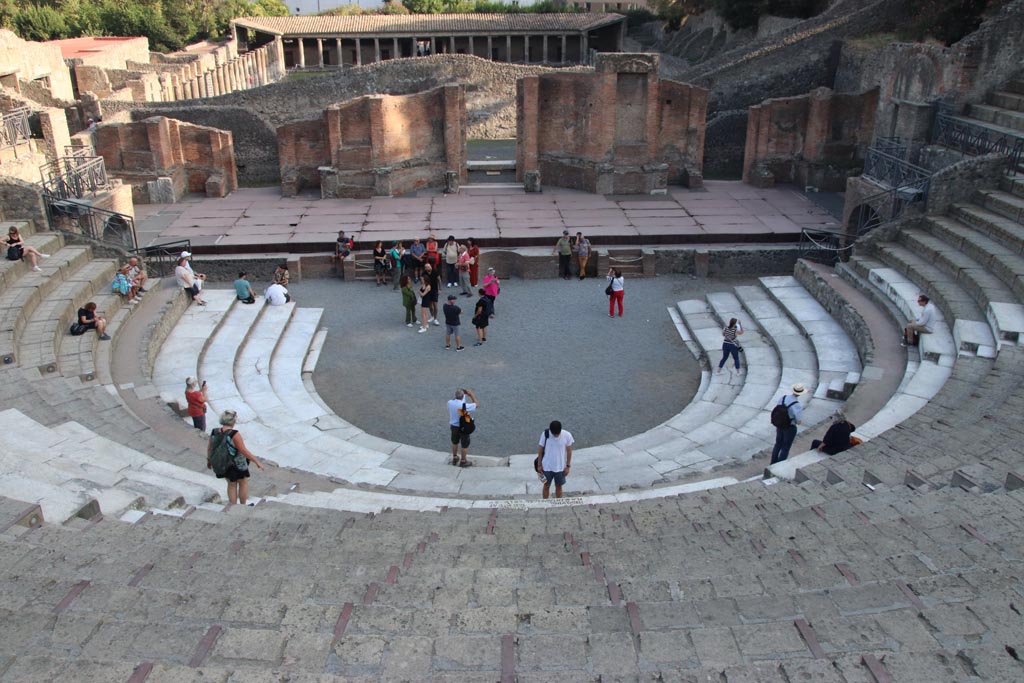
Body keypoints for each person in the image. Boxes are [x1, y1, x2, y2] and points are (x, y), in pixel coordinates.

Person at [207, 410, 265, 505]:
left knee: (231, 484)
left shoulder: (214, 431)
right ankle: (243, 505)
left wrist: (209, 460)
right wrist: (256, 461)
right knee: (243, 483)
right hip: (236, 463)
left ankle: (233, 506)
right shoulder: (233, 434)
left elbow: (210, 448)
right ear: (233, 421)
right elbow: (243, 450)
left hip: (222, 463)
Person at [536, 420, 574, 499]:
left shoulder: (567, 435)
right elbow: (540, 449)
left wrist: (568, 466)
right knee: (546, 485)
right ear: (551, 431)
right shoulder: (545, 434)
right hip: (546, 466)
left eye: (557, 433)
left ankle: (558, 502)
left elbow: (569, 451)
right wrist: (539, 465)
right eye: (554, 434)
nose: (556, 435)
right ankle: (545, 502)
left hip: (560, 467)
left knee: (559, 486)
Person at [770, 383, 806, 465]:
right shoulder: (797, 405)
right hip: (789, 427)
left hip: (780, 424)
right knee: (785, 447)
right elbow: (798, 421)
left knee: (778, 444)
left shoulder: (783, 398)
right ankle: (779, 465)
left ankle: (772, 462)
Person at [447, 388, 478, 467]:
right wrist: (471, 395)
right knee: (464, 444)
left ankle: (455, 457)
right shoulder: (464, 406)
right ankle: (463, 461)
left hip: (453, 426)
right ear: (463, 397)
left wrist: (462, 394)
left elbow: (456, 400)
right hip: (463, 427)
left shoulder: (449, 403)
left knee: (454, 442)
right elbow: (477, 404)